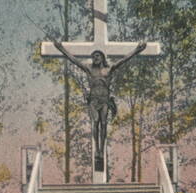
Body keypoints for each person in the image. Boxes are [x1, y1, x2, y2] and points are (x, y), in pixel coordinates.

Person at [53, 40, 147, 170]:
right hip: (93, 100)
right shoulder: (89, 69)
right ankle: (96, 148)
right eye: (93, 56)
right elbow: (74, 60)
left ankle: (101, 150)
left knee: (103, 124)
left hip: (105, 100)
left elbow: (124, 59)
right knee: (95, 122)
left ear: (102, 57)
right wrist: (61, 49)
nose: (95, 58)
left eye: (97, 56)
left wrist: (137, 50)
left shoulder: (109, 69)